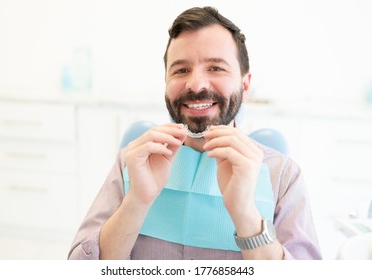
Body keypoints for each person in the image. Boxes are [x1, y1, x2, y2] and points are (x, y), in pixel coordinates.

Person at [68, 6, 321, 260]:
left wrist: (245, 213)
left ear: (245, 85)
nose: (196, 84)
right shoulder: (132, 163)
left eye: (216, 68)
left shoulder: (284, 176)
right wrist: (135, 202)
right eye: (181, 70)